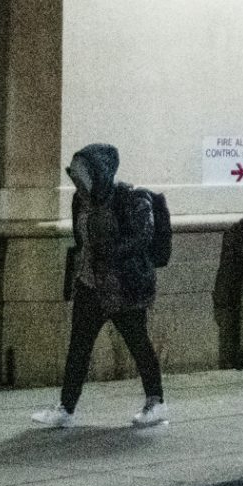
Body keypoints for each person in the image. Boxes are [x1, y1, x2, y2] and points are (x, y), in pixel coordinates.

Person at [31, 143, 169, 428]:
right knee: (79, 347)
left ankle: (156, 403)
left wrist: (112, 250)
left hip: (123, 286)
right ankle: (66, 409)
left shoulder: (127, 198)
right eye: (75, 175)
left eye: (84, 174)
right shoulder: (79, 201)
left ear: (101, 173)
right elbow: (81, 241)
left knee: (138, 344)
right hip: (90, 284)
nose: (78, 181)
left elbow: (144, 236)